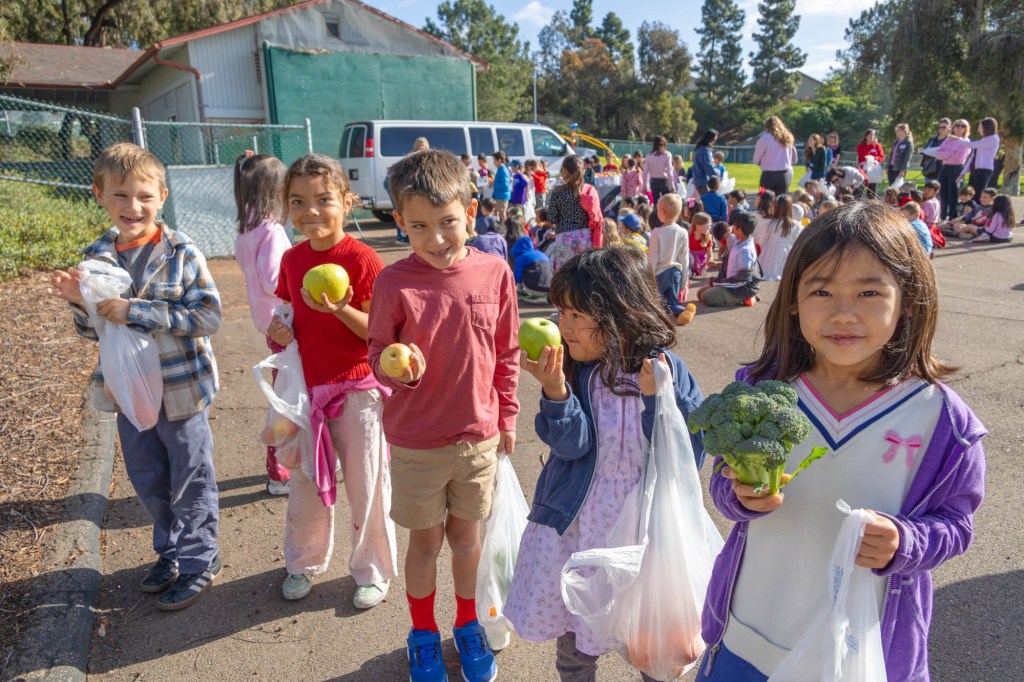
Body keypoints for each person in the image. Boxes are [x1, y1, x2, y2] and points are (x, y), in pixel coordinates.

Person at [695, 201, 986, 682]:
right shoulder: (763, 391)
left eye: (869, 291)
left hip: (855, 655)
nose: (844, 313)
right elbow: (723, 484)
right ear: (793, 300)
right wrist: (737, 494)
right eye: (822, 291)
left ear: (908, 300)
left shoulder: (943, 421)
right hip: (748, 632)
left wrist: (906, 542)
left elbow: (957, 524)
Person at [505, 246, 705, 682]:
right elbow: (571, 446)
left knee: (652, 640)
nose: (564, 326)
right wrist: (556, 391)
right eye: (562, 313)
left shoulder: (666, 370)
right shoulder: (578, 371)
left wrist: (658, 400)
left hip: (642, 530)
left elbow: (689, 454)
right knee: (576, 637)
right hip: (579, 529)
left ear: (619, 314)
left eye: (577, 316)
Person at [47, 142, 223, 610]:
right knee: (148, 479)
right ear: (99, 195)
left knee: (191, 477)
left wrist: (137, 311)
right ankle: (169, 551)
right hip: (128, 394)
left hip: (182, 391)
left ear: (161, 195)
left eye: (144, 195)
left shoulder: (181, 251)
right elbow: (93, 332)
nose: (133, 206)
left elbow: (208, 317)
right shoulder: (96, 257)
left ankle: (200, 558)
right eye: (121, 195)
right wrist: (78, 302)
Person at [367, 149, 519, 682]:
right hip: (416, 442)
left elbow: (507, 352)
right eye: (419, 227)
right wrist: (397, 371)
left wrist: (507, 417)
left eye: (447, 223)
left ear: (470, 213)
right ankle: (423, 633)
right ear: (400, 223)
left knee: (467, 539)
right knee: (426, 543)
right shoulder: (392, 283)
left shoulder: (495, 272)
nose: (435, 239)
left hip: (476, 437)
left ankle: (469, 623)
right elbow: (376, 355)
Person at [267, 154, 398, 606]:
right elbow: (285, 316)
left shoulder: (363, 260)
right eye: (298, 201)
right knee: (304, 483)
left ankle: (373, 569)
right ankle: (303, 563)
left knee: (366, 484)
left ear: (347, 201)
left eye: (324, 199)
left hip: (358, 390)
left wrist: (339, 308)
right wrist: (278, 332)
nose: (311, 211)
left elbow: (380, 334)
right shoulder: (291, 259)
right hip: (308, 391)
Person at [232, 152, 292, 496]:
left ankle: (287, 462)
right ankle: (279, 470)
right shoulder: (270, 230)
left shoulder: (248, 227)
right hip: (283, 324)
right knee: (286, 395)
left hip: (267, 322)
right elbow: (274, 279)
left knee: (285, 390)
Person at [648, 194, 695, 325]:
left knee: (656, 303)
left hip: (659, 274)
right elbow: (684, 259)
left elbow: (653, 259)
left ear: (662, 213)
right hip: (676, 273)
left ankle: (658, 319)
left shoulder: (656, 232)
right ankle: (682, 311)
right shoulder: (683, 232)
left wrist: (648, 279)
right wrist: (684, 283)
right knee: (672, 302)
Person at [548, 155, 601, 271]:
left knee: (564, 274)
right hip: (584, 236)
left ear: (565, 170)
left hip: (564, 236)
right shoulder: (587, 191)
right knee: (581, 273)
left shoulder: (558, 192)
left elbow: (552, 218)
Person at [696, 211, 759, 307]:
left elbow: (741, 281)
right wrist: (717, 264)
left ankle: (744, 299)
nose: (731, 228)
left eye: (734, 226)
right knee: (699, 294)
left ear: (739, 230)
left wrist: (718, 282)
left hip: (739, 289)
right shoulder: (740, 242)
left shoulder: (745, 251)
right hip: (732, 284)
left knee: (706, 297)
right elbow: (734, 264)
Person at [753, 194, 802, 280]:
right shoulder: (796, 225)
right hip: (787, 254)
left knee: (766, 276)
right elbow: (799, 242)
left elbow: (763, 241)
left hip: (770, 254)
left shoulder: (771, 224)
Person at [932, 119, 973, 219]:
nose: (959, 128)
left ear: (965, 129)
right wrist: (949, 153)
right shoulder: (948, 140)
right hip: (945, 168)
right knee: (943, 194)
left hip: (957, 168)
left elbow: (958, 157)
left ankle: (952, 217)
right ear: (953, 128)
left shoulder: (966, 142)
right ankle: (942, 216)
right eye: (957, 126)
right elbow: (938, 154)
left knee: (953, 194)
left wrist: (946, 153)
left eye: (962, 126)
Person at [753, 117, 797, 197]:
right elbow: (792, 157)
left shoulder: (765, 138)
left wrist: (758, 162)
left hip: (768, 175)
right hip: (784, 174)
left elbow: (756, 157)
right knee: (781, 200)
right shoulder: (787, 138)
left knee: (762, 196)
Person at [511, 228, 553, 304]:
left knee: (521, 276)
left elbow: (517, 278)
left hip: (533, 288)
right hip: (549, 288)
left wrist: (517, 291)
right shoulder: (541, 254)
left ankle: (527, 295)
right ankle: (542, 296)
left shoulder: (521, 257)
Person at [962, 117, 1001, 196]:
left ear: (986, 127)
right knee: (970, 193)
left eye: (980, 127)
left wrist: (957, 139)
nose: (978, 130)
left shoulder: (993, 138)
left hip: (984, 170)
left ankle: (979, 208)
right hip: (975, 170)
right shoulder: (983, 140)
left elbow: (971, 145)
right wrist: (963, 172)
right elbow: (973, 158)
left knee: (978, 194)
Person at [643, 135, 678, 205]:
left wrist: (644, 186)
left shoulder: (649, 156)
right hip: (664, 181)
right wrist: (672, 185)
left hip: (653, 181)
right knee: (667, 202)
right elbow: (669, 171)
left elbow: (645, 172)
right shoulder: (667, 155)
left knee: (656, 203)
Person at [855, 128, 885, 196]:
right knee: (861, 186)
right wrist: (871, 146)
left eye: (873, 135)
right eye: (870, 135)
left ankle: (871, 201)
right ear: (866, 136)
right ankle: (858, 200)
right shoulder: (860, 146)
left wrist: (875, 158)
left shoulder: (877, 146)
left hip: (873, 169)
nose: (872, 136)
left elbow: (881, 156)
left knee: (872, 188)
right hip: (863, 169)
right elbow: (862, 156)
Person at [692, 129, 720, 195]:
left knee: (694, 199)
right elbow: (708, 166)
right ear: (709, 139)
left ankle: (689, 205)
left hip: (696, 180)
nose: (714, 142)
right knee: (706, 202)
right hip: (703, 181)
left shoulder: (699, 148)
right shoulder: (705, 150)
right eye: (713, 140)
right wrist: (717, 178)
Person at [689, 212, 715, 277]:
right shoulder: (689, 235)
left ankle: (694, 271)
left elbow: (710, 256)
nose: (709, 228)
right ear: (697, 225)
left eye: (710, 226)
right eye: (707, 226)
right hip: (690, 259)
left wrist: (705, 267)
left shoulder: (707, 237)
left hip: (701, 262)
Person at [491, 151, 512, 221]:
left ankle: (506, 229)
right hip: (499, 195)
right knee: (496, 212)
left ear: (499, 160)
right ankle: (497, 227)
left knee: (502, 213)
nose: (493, 162)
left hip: (502, 196)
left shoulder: (503, 170)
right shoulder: (500, 169)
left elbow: (505, 185)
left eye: (494, 160)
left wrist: (493, 183)